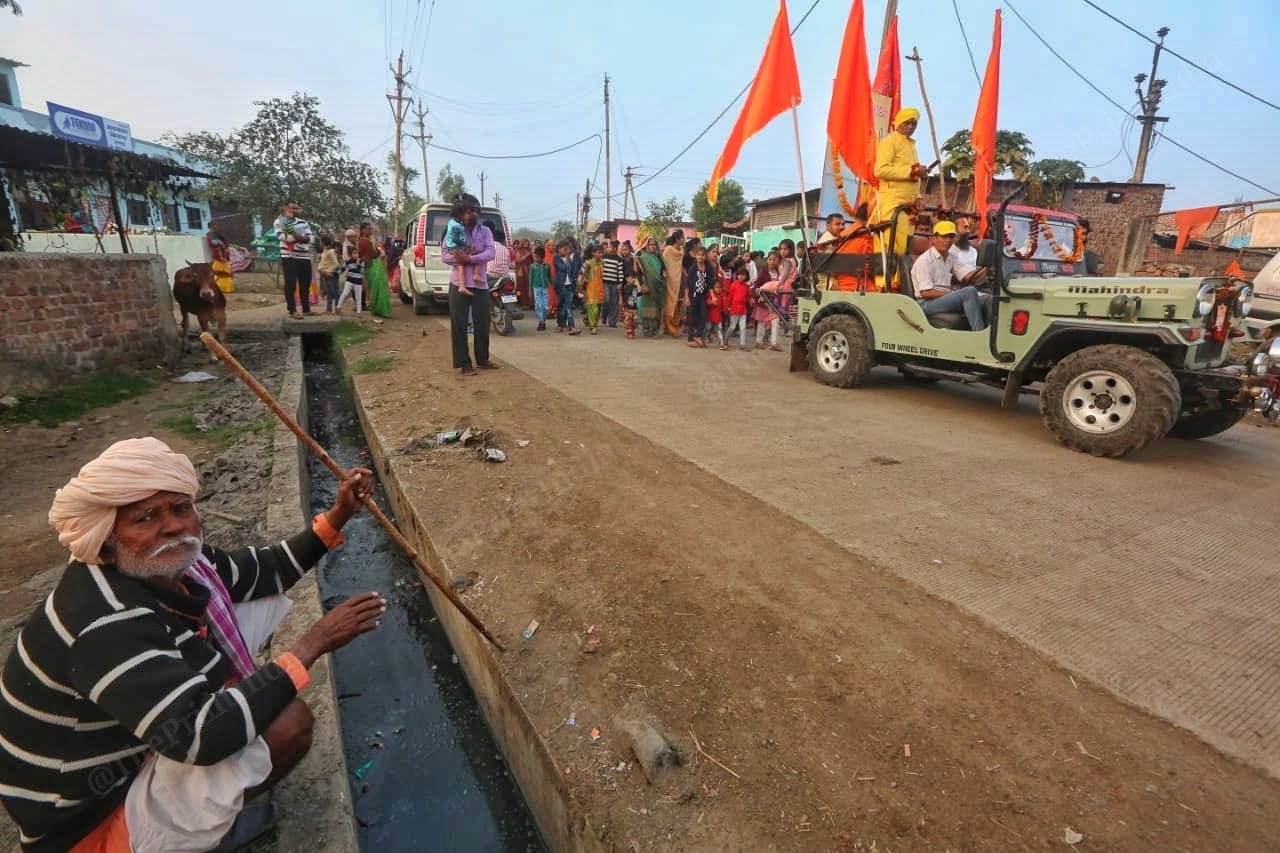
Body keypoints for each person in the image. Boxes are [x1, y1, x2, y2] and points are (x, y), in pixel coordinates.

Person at [0, 437, 385, 853]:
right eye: (145, 518)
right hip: (87, 824)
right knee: (287, 723)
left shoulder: (181, 567)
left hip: (129, 753)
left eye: (180, 509)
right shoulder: (106, 621)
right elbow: (200, 737)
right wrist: (314, 642)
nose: (172, 527)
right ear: (106, 539)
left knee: (245, 616)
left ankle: (202, 813)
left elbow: (262, 571)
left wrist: (338, 515)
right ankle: (193, 834)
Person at [441, 194, 499, 374]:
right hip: (458, 283)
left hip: (480, 283)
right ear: (461, 212)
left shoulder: (485, 231)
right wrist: (461, 259)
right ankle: (464, 363)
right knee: (459, 324)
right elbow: (444, 255)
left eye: (476, 211)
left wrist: (470, 258)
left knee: (483, 322)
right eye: (470, 211)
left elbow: (491, 252)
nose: (474, 214)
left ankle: (483, 359)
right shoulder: (453, 230)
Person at [873, 108, 928, 289]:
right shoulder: (890, 141)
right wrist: (911, 171)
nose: (910, 127)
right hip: (892, 202)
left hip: (908, 205)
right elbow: (880, 170)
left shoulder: (911, 145)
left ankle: (900, 283)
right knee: (890, 243)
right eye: (907, 123)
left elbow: (913, 179)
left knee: (904, 245)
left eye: (914, 124)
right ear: (898, 123)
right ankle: (885, 285)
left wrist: (918, 196)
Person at [910, 220, 988, 331]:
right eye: (944, 237)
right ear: (934, 238)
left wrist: (987, 269)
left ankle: (994, 338)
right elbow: (926, 292)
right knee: (969, 292)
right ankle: (979, 335)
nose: (948, 240)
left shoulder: (951, 256)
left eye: (951, 237)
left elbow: (965, 274)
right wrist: (952, 293)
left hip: (944, 299)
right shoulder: (925, 261)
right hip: (926, 304)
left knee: (988, 299)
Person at [273, 201, 314, 319]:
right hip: (289, 256)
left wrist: (300, 238)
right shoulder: (279, 221)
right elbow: (281, 237)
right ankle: (292, 310)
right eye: (292, 208)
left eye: (296, 208)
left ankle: (306, 309)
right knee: (290, 284)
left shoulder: (304, 222)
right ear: (286, 208)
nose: (294, 210)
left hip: (304, 257)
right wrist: (300, 237)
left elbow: (311, 238)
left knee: (305, 284)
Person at [684, 243, 713, 348]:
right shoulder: (693, 268)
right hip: (693, 296)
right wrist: (687, 297)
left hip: (703, 296)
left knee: (704, 315)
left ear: (705, 257)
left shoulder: (708, 268)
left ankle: (698, 335)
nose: (700, 257)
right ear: (696, 256)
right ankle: (690, 339)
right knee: (692, 317)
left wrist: (713, 296)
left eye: (702, 255)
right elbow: (687, 283)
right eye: (698, 255)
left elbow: (710, 285)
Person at [361, 224, 393, 318]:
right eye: (368, 229)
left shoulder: (369, 239)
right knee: (376, 287)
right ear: (363, 230)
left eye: (371, 229)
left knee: (380, 286)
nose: (370, 231)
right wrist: (379, 252)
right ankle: (379, 309)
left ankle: (379, 309)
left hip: (375, 265)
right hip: (372, 266)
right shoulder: (363, 241)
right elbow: (373, 253)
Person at [636, 237, 665, 338]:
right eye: (650, 245)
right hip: (647, 286)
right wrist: (642, 285)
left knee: (656, 308)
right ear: (647, 246)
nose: (652, 247)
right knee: (647, 307)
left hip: (657, 288)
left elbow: (662, 273)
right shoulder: (643, 258)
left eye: (654, 245)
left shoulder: (659, 258)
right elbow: (638, 273)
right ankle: (646, 328)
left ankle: (654, 329)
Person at [949, 215, 988, 285]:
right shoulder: (950, 252)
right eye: (965, 227)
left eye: (969, 228)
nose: (968, 231)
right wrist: (988, 269)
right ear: (954, 230)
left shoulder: (973, 251)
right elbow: (966, 278)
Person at [552, 241, 581, 335]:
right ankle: (560, 325)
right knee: (561, 306)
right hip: (561, 285)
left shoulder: (571, 259)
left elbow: (573, 271)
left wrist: (575, 283)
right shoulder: (556, 258)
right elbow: (563, 268)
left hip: (570, 285)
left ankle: (572, 326)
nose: (567, 251)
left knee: (569, 307)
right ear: (559, 249)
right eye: (565, 249)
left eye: (568, 249)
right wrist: (568, 258)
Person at [661, 231, 685, 336]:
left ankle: (672, 325)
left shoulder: (682, 250)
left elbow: (680, 265)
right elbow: (663, 263)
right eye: (682, 238)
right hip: (669, 280)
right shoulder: (668, 249)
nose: (683, 240)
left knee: (678, 302)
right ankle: (668, 326)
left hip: (678, 280)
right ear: (677, 239)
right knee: (669, 302)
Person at [726, 264, 753, 350]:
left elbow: (748, 296)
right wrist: (728, 307)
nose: (741, 277)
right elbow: (730, 297)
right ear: (737, 275)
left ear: (746, 276)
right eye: (740, 275)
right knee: (732, 327)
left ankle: (742, 345)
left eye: (743, 275)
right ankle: (725, 339)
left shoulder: (746, 286)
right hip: (734, 309)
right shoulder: (733, 285)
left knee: (743, 327)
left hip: (743, 310)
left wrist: (751, 300)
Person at [580, 245, 605, 334]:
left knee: (598, 308)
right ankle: (593, 326)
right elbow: (584, 275)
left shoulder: (603, 263)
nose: (601, 254)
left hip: (600, 288)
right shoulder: (589, 263)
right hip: (591, 288)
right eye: (599, 252)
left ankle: (591, 322)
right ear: (593, 253)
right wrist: (581, 287)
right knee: (593, 308)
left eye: (602, 252)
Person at [206, 222, 235, 294]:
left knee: (226, 272)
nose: (217, 226)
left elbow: (224, 244)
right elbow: (214, 245)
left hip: (224, 255)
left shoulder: (219, 234)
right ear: (210, 226)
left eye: (217, 225)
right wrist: (221, 256)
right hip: (218, 256)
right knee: (218, 271)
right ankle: (219, 288)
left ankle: (227, 288)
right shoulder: (210, 234)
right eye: (214, 225)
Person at [600, 240, 623, 328]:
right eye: (608, 247)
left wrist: (620, 283)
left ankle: (612, 322)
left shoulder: (619, 259)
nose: (608, 249)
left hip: (614, 284)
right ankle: (604, 316)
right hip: (605, 282)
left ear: (615, 248)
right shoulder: (604, 257)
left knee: (614, 302)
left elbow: (620, 272)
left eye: (610, 247)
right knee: (607, 300)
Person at [529, 245, 551, 330]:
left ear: (542, 257)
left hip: (545, 288)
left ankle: (542, 321)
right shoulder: (532, 266)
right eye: (534, 257)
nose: (535, 259)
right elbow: (530, 279)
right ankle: (541, 322)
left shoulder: (547, 266)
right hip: (536, 288)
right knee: (539, 305)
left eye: (536, 257)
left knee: (545, 306)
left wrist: (552, 285)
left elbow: (549, 277)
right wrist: (530, 291)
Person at [337, 248, 365, 315]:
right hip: (349, 281)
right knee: (345, 294)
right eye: (354, 253)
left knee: (358, 297)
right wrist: (336, 274)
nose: (356, 255)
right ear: (351, 254)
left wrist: (358, 264)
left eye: (357, 253)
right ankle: (338, 308)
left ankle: (358, 312)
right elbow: (342, 269)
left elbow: (362, 271)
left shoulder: (361, 261)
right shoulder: (348, 261)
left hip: (358, 282)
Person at [319, 237, 341, 314]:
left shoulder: (330, 251)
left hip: (331, 274)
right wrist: (321, 270)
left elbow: (336, 263)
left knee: (334, 292)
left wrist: (327, 271)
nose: (320, 243)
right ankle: (329, 309)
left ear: (323, 242)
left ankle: (337, 309)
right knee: (330, 292)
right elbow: (323, 262)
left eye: (320, 242)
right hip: (326, 274)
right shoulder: (325, 251)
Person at [706, 279, 727, 349]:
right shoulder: (711, 295)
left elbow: (723, 306)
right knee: (708, 328)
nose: (718, 289)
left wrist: (726, 310)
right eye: (717, 287)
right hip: (710, 316)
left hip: (718, 317)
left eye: (720, 287)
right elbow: (707, 302)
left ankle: (722, 344)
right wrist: (711, 302)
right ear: (713, 288)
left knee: (719, 329)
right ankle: (705, 339)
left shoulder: (722, 295)